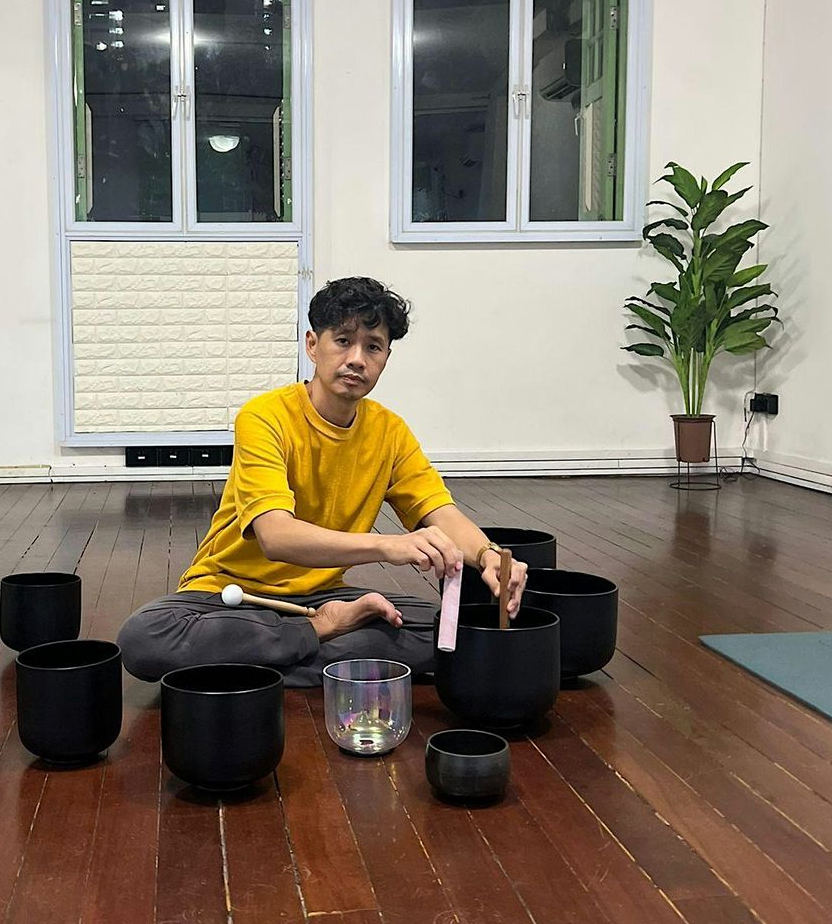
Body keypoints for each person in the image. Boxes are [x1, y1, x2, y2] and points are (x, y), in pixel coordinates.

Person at [118, 276, 528, 687]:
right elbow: (276, 536)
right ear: (313, 345)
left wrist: (490, 556)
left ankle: (254, 661)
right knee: (146, 637)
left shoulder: (390, 432)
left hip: (323, 599)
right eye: (343, 341)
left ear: (386, 357)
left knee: (443, 629)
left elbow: (438, 511)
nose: (356, 359)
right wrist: (387, 546)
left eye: (373, 347)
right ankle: (322, 644)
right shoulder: (264, 417)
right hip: (228, 597)